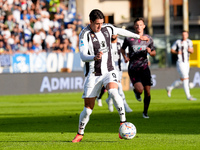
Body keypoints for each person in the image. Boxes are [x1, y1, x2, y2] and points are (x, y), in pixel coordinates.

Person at [72, 9, 149, 143]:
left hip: (109, 69)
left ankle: (123, 123)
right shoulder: (84, 34)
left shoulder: (107, 28)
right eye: (97, 24)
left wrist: (137, 36)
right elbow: (83, 56)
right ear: (90, 22)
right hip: (93, 73)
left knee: (114, 91)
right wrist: (93, 57)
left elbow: (120, 31)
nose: (100, 26)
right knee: (88, 110)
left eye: (101, 23)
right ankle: (80, 133)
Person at [121, 17, 156, 119]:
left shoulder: (148, 38)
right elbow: (122, 49)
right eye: (137, 25)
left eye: (141, 25)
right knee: (140, 90)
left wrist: (150, 52)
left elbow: (154, 52)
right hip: (133, 68)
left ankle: (145, 112)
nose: (139, 27)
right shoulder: (129, 38)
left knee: (148, 92)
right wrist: (125, 57)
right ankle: (136, 92)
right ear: (134, 26)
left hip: (145, 68)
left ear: (144, 26)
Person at [166, 30, 196, 101]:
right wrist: (177, 52)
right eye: (183, 35)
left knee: (183, 79)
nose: (184, 36)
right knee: (186, 77)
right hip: (180, 62)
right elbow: (171, 50)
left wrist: (190, 50)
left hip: (187, 63)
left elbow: (192, 51)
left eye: (185, 35)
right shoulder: (178, 42)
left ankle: (170, 88)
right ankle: (188, 96)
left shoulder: (189, 42)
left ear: (187, 35)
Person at [105, 34, 132, 113]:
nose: (113, 35)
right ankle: (125, 105)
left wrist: (126, 58)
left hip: (119, 69)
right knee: (119, 88)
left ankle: (109, 99)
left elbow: (126, 52)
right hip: (109, 70)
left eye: (114, 33)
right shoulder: (106, 43)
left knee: (114, 88)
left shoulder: (121, 42)